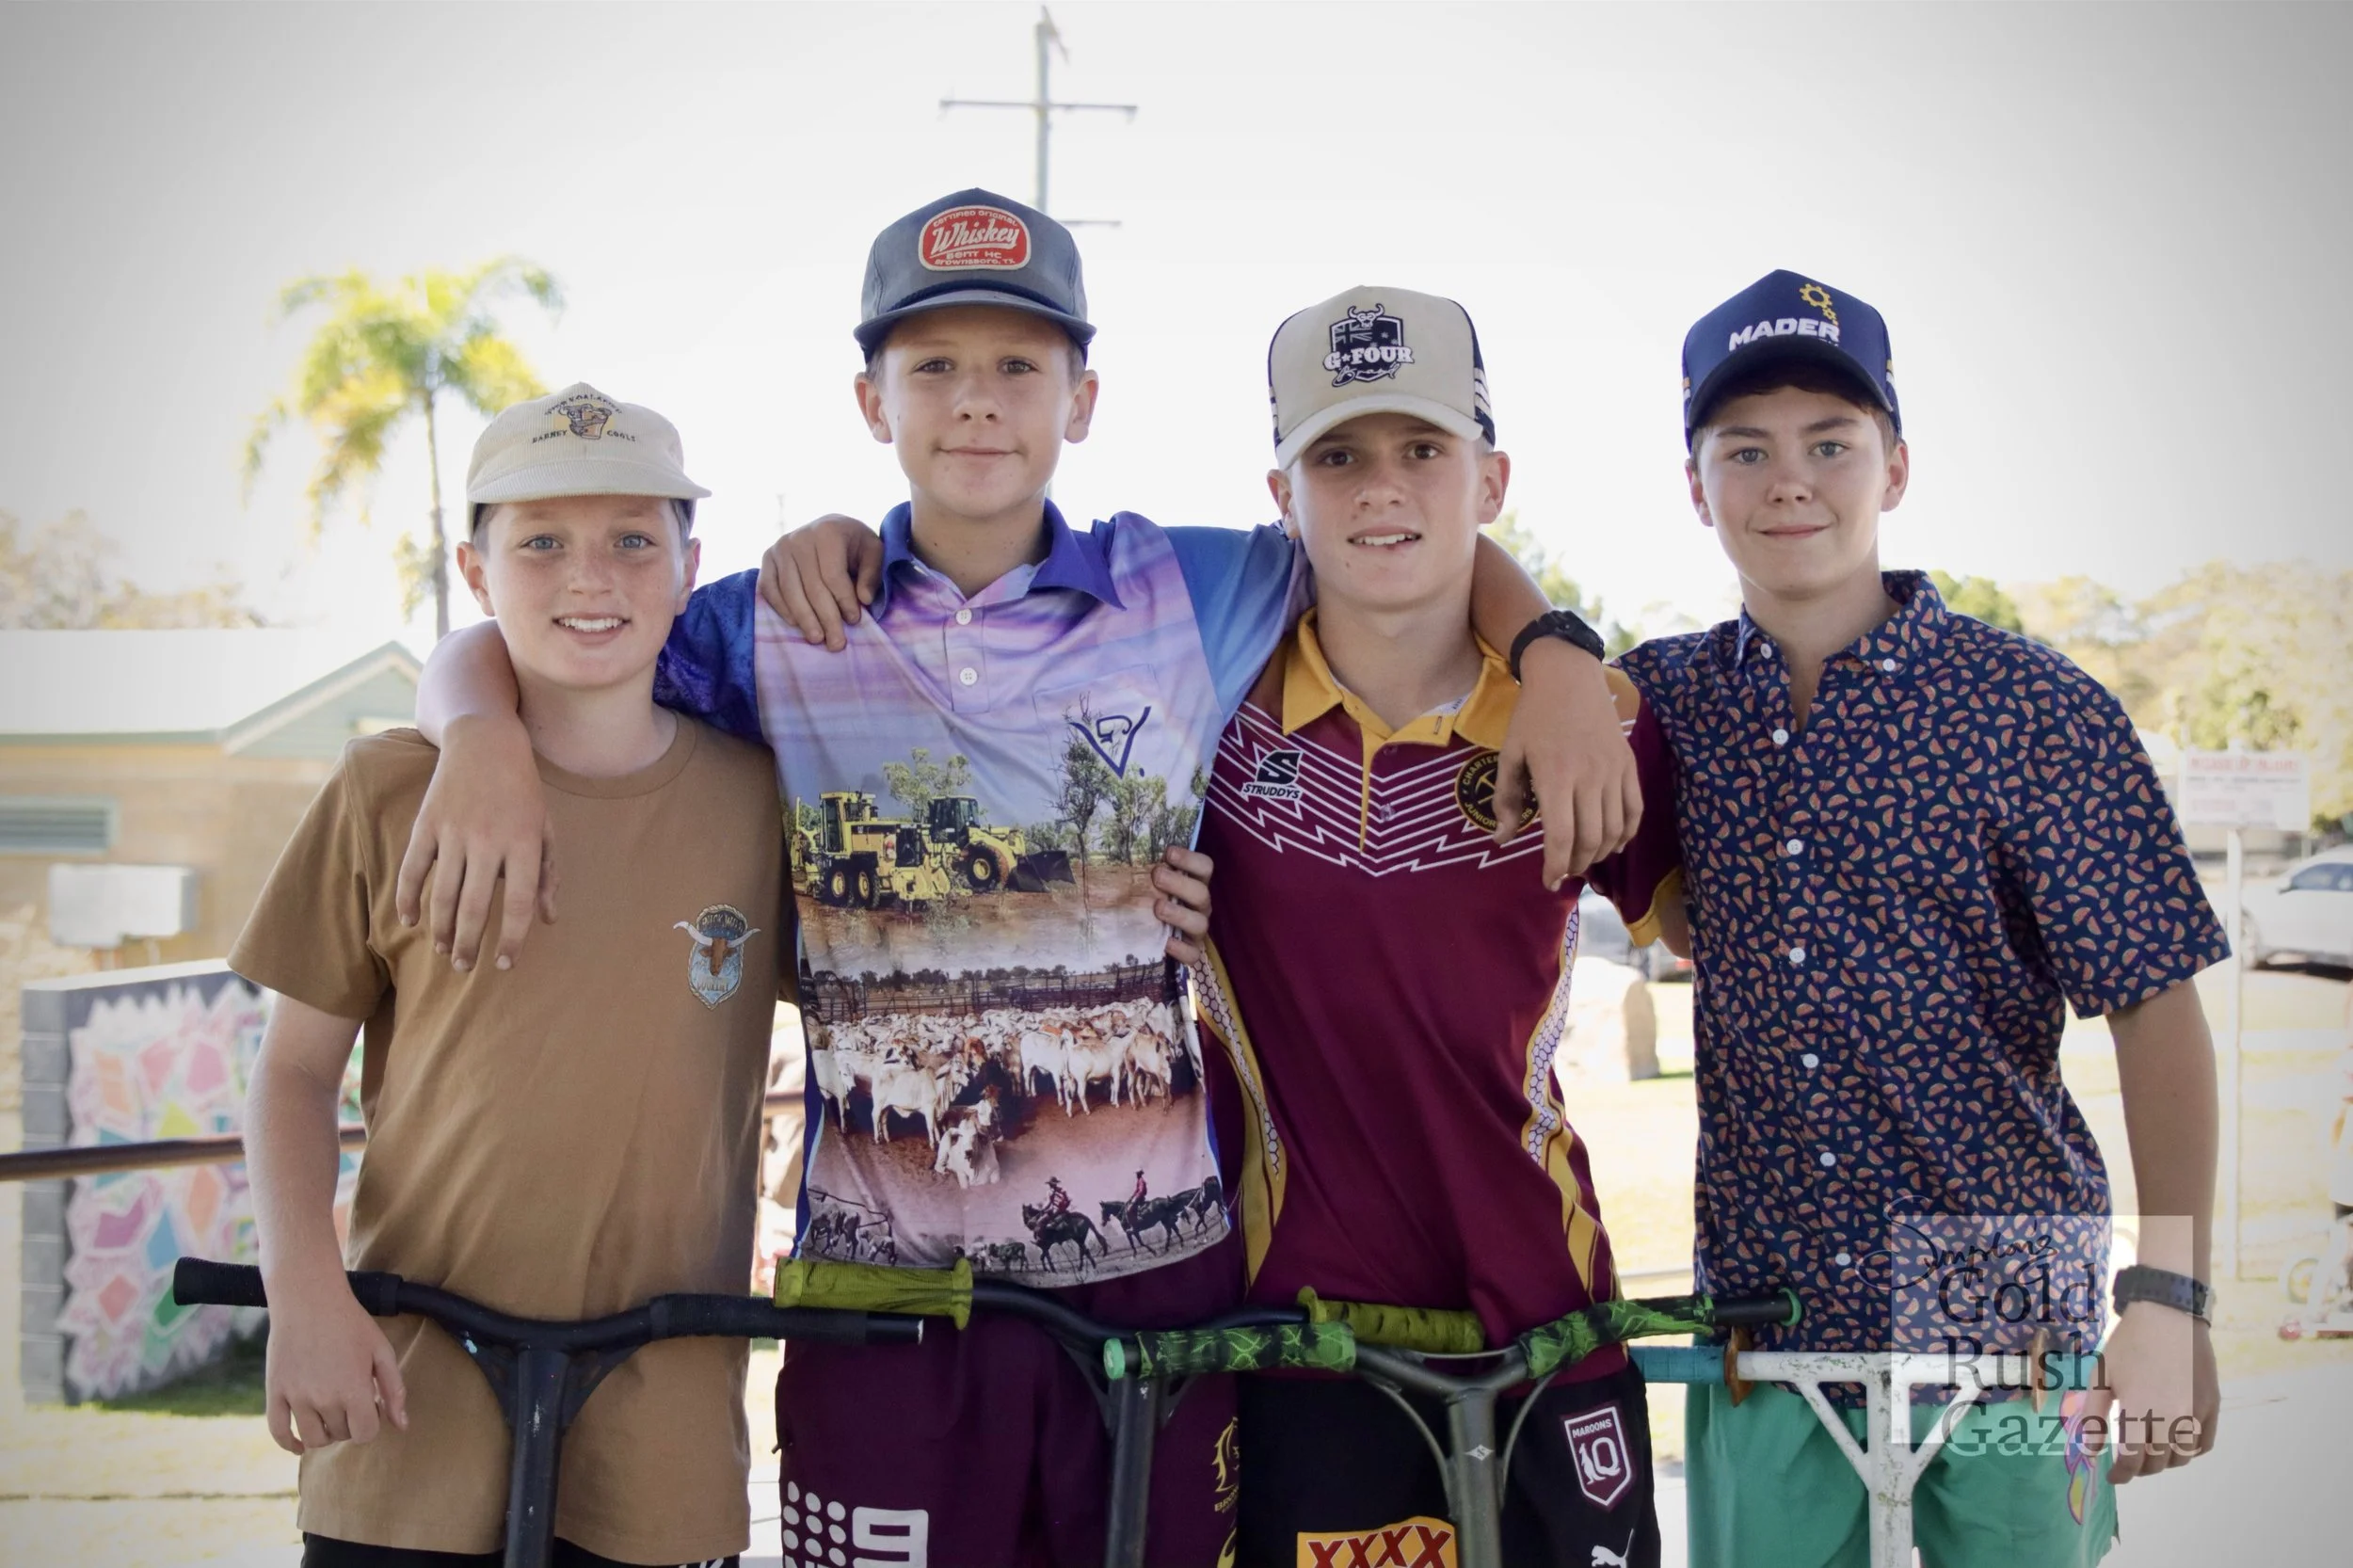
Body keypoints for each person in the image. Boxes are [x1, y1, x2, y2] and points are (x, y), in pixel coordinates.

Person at [395, 191, 1632, 1568]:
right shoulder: (778, 620)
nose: (976, 403)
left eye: (1017, 368)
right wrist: (479, 731)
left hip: (1154, 1293)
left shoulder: (1197, 588)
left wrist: (1560, 655)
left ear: (1083, 398)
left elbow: (1423, 543)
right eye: (933, 367)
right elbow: (550, 630)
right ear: (871, 400)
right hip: (880, 1291)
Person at [1618, 271, 2231, 1568]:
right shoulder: (1657, 706)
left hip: (2004, 1308)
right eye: (1747, 449)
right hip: (1766, 1315)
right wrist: (1560, 647)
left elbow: (2157, 1000)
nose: (1791, 480)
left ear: (1894, 468)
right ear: (1696, 485)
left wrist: (2168, 1294)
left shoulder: (2030, 708)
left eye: (1830, 444)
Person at [236, 387, 776, 1566]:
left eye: (635, 539)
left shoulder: (760, 803)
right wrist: (307, 1297)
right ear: (475, 572)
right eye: (541, 542)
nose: (592, 578)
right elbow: (289, 1074)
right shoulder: (386, 792)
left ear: (692, 566)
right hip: (407, 1398)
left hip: (663, 1413)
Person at [1193, 288, 1685, 1566]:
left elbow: (1731, 950)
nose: (1380, 490)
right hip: (1303, 1338)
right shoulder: (1203, 719)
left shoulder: (1599, 717)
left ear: (1491, 478)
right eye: (1337, 455)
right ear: (1281, 489)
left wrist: (1562, 657)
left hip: (1547, 1321)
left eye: (1423, 450)